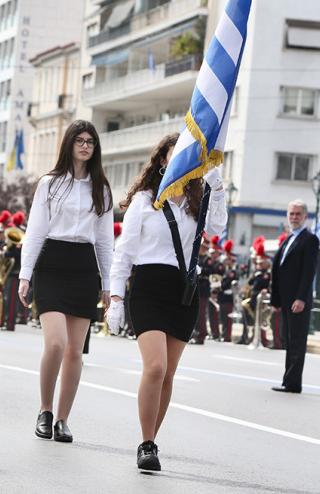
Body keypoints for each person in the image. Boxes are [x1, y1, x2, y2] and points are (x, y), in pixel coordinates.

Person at [106, 133, 226, 471]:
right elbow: (124, 252)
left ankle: (151, 443)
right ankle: (146, 442)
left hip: (184, 290)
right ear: (162, 161)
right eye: (173, 156)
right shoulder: (145, 200)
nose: (180, 163)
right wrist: (116, 297)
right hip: (148, 286)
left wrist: (217, 186)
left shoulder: (196, 199)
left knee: (169, 374)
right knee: (155, 367)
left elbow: (217, 228)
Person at [16, 120, 114, 445]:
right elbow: (35, 231)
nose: (85, 146)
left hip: (84, 266)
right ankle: (44, 410)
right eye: (80, 140)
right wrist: (24, 275)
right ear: (69, 144)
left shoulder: (102, 188)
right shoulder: (50, 183)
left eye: (91, 141)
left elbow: (104, 241)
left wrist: (108, 283)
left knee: (75, 351)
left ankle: (62, 419)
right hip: (51, 262)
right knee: (56, 343)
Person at [270, 199, 318, 394]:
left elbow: (309, 272)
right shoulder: (288, 238)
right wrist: (277, 300)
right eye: (292, 214)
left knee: (297, 343)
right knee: (289, 341)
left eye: (298, 214)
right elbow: (280, 270)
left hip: (298, 301)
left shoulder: (309, 239)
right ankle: (288, 380)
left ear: (305, 217)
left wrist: (301, 298)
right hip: (287, 300)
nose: (294, 217)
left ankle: (293, 383)